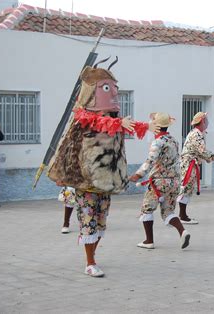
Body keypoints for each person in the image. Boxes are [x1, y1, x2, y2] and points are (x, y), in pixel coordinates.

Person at [47, 58, 149, 277]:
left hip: (106, 183)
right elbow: (69, 146)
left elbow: (121, 138)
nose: (112, 94)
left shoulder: (116, 121)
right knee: (88, 220)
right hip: (86, 183)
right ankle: (90, 261)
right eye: (106, 88)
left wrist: (149, 126)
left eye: (113, 88)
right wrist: (62, 174)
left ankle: (92, 255)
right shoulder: (84, 120)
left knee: (101, 222)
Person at [129, 112, 190, 250]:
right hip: (174, 181)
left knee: (147, 209)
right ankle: (183, 231)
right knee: (168, 212)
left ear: (156, 126)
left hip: (158, 182)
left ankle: (148, 241)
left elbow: (150, 161)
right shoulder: (174, 140)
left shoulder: (157, 142)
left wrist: (138, 175)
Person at [177, 112, 214, 224]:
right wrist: (212, 156)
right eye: (206, 120)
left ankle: (182, 215)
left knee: (187, 189)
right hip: (189, 165)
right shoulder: (196, 135)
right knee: (186, 188)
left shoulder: (196, 133)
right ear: (202, 122)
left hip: (189, 164)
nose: (207, 123)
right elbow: (202, 150)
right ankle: (182, 216)